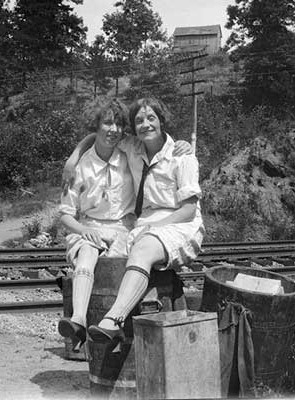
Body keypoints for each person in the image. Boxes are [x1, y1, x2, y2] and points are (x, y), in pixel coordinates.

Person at [63, 97, 204, 346]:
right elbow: (99, 135)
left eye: (151, 118)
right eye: (139, 120)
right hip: (145, 223)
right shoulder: (133, 147)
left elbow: (188, 210)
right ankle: (83, 322)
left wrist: (151, 228)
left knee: (142, 248)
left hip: (179, 222)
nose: (145, 124)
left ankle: (113, 321)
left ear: (162, 121)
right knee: (103, 257)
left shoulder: (182, 156)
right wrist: (73, 157)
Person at [57, 98, 136, 351]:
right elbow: (66, 214)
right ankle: (78, 321)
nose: (113, 129)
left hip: (123, 227)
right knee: (88, 251)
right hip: (89, 225)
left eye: (119, 124)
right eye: (107, 123)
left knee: (117, 262)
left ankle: (113, 328)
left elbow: (155, 143)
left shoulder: (129, 155)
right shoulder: (79, 168)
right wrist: (84, 231)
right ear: (97, 125)